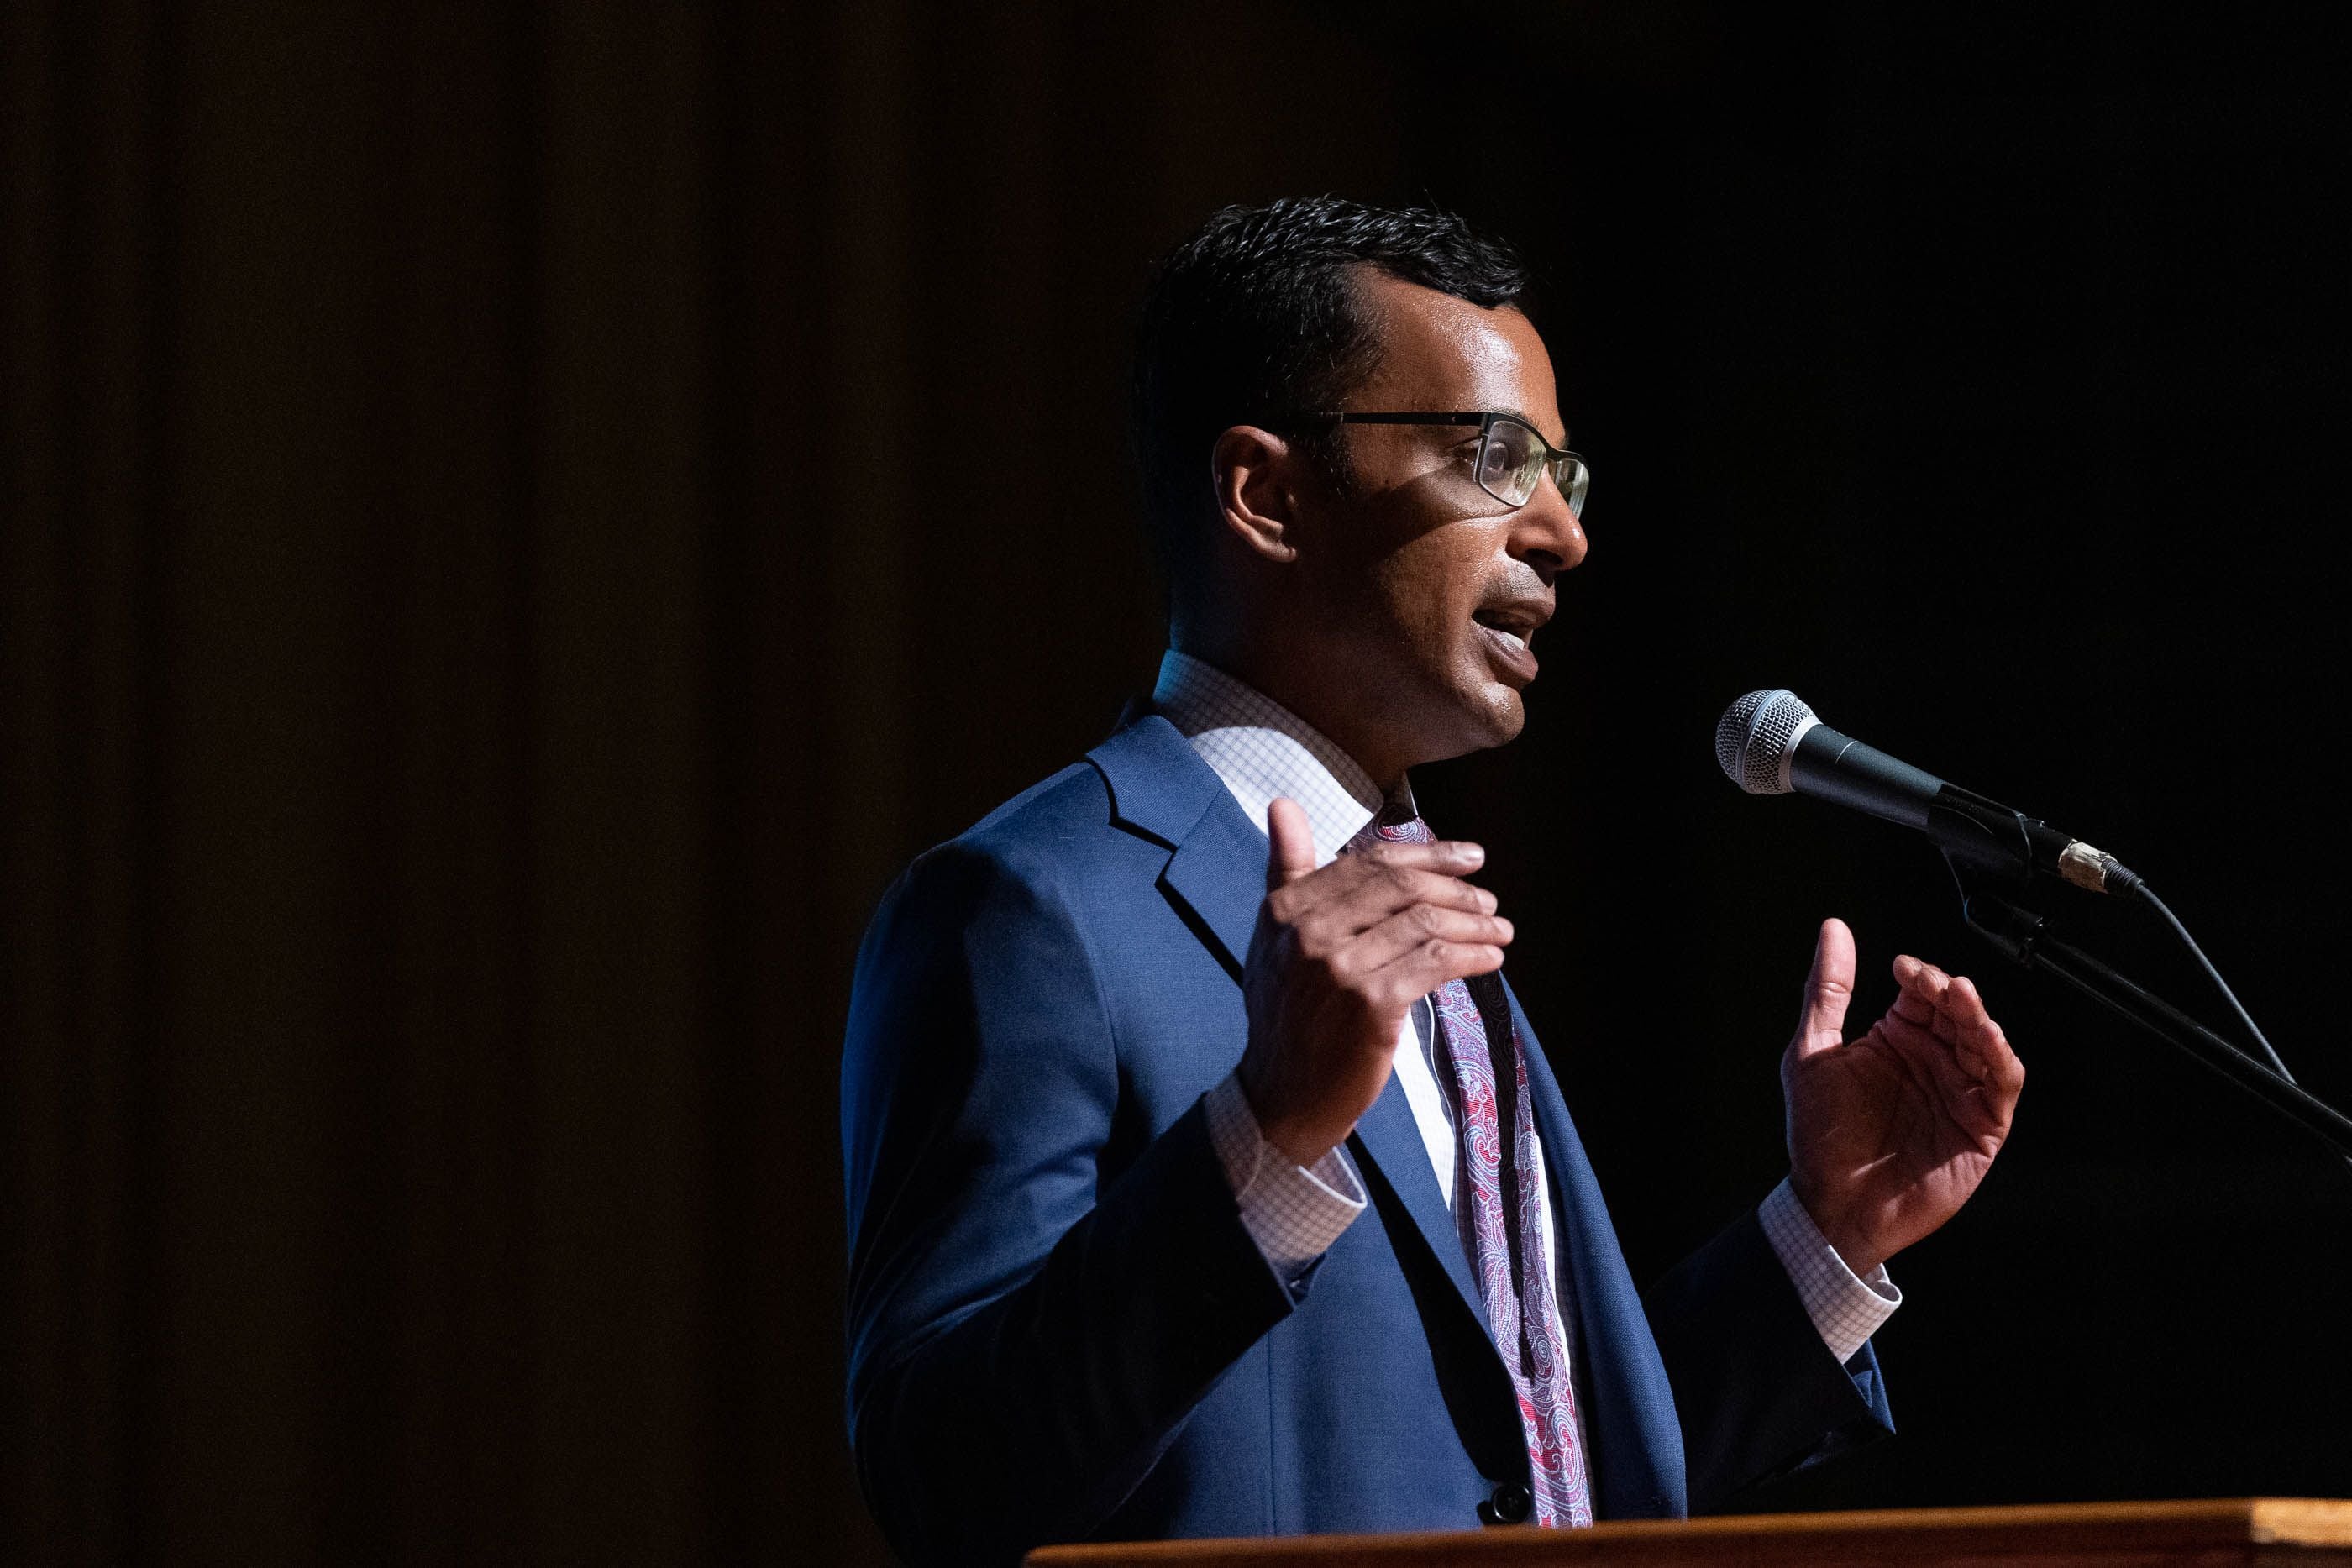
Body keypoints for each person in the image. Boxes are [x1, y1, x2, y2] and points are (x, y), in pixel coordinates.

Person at [838, 197, 2024, 1567]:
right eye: (1495, 456)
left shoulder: (1427, 919)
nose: (1560, 532)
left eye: (1565, 476)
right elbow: (941, 1476)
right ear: (1268, 495)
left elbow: (1529, 1484)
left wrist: (1821, 1241)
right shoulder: (1033, 909)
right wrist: (1261, 1139)